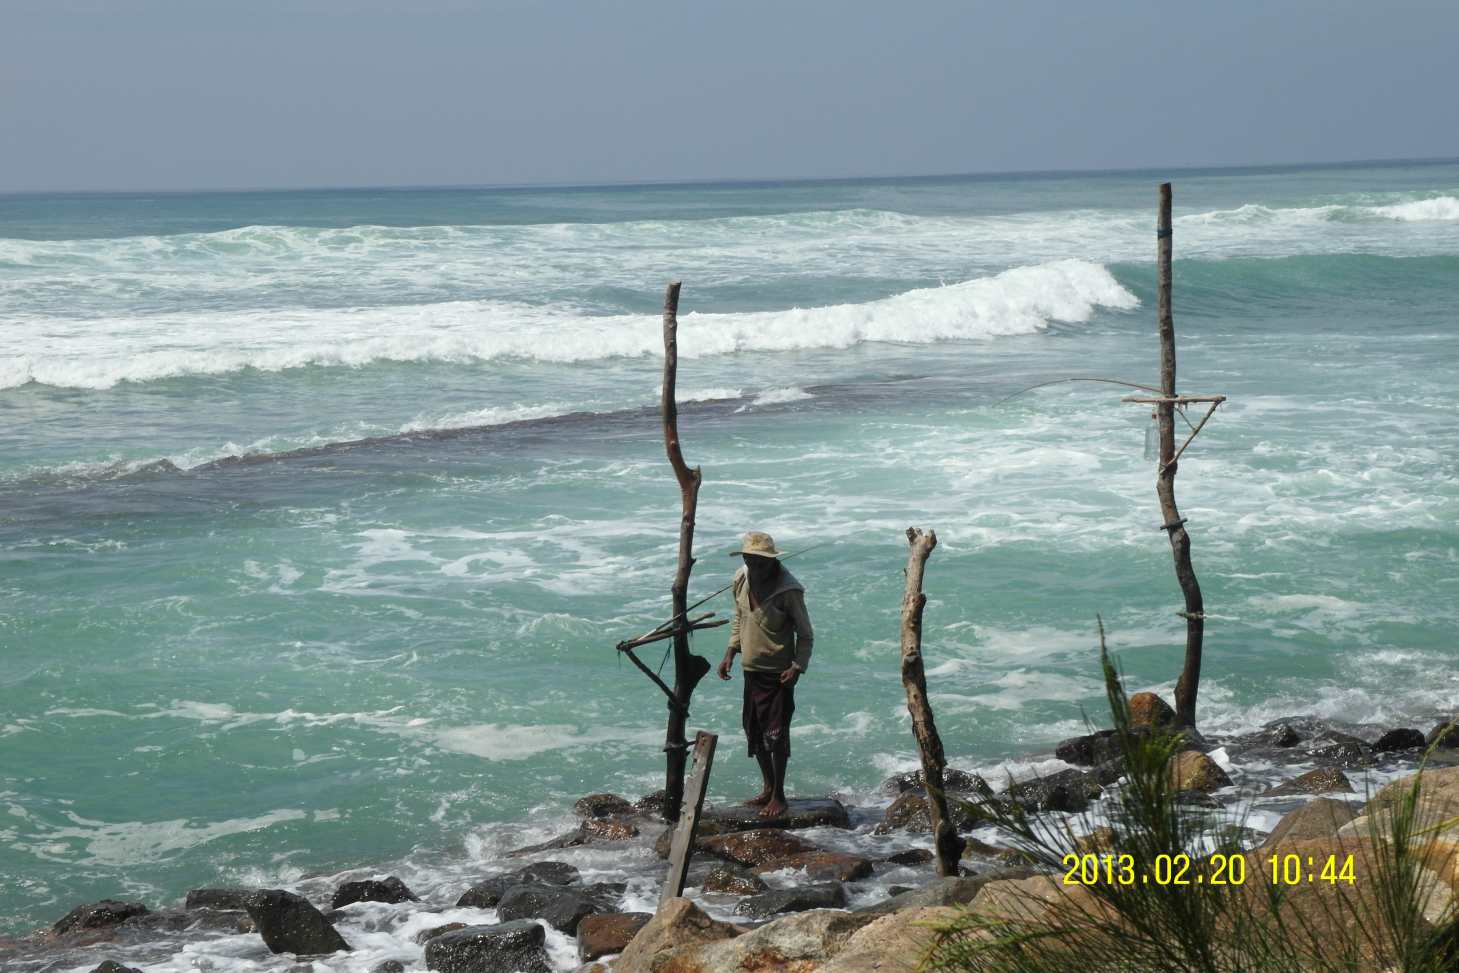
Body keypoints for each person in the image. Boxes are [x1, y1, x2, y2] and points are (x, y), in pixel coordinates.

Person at [716, 530, 814, 818]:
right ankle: (768, 786)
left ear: (772, 561)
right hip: (751, 670)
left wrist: (797, 667)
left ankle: (780, 795)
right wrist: (730, 651)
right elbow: (740, 616)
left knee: (776, 734)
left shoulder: (789, 591)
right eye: (750, 560)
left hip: (778, 674)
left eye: (760, 561)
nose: (754, 567)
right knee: (754, 730)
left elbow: (806, 635)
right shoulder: (741, 578)